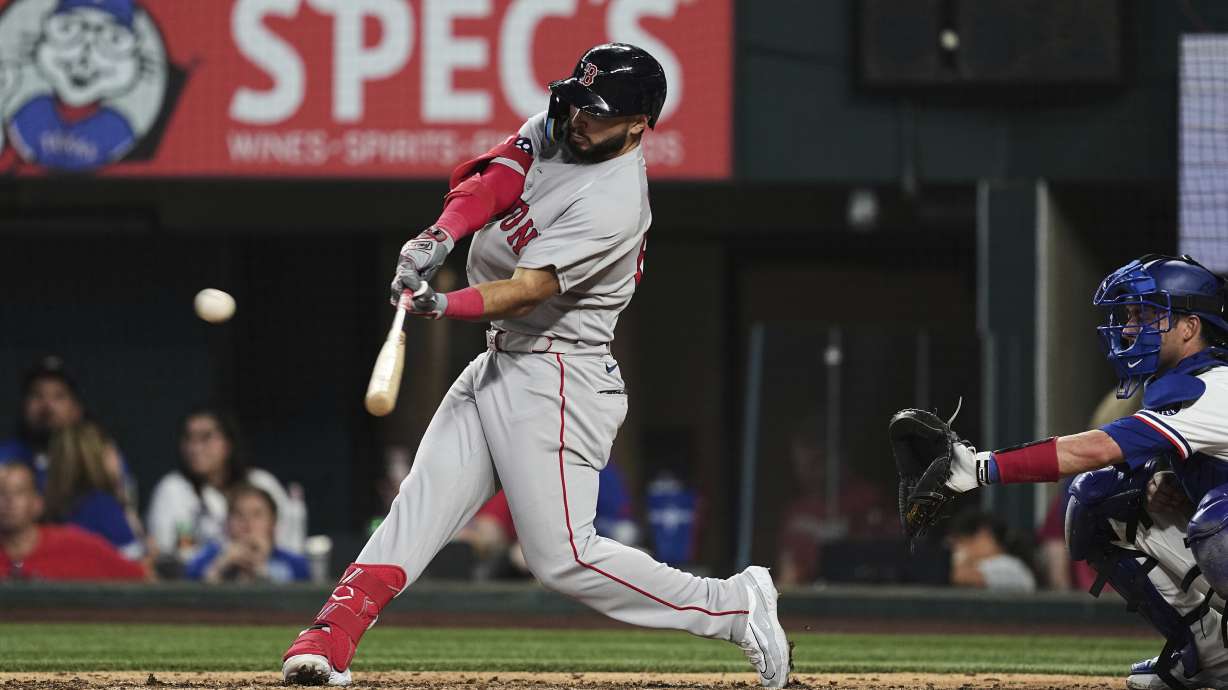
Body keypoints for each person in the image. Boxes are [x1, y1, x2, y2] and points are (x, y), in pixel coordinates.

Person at [281, 43, 790, 689]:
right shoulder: (560, 128)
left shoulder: (614, 200)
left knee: (564, 559)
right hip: (506, 356)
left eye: (597, 112)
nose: (578, 118)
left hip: (560, 374)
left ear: (638, 125)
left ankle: (734, 607)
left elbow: (526, 288)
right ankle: (328, 638)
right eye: (576, 100)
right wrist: (439, 236)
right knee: (421, 501)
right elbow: (495, 177)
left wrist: (441, 302)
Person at [928, 254, 1228, 689]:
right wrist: (1170, 477)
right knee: (1100, 500)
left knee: (1218, 520)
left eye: (1145, 314)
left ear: (1189, 327)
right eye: (1129, 315)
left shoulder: (1212, 386)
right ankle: (1213, 657)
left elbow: (1097, 448)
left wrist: (981, 467)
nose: (1128, 328)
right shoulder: (1185, 382)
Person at [145, 407, 305, 562]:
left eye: (206, 437)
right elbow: (165, 555)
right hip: (202, 583)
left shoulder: (261, 481)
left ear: (228, 443)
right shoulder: (173, 488)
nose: (195, 448)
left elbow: (290, 543)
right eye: (188, 438)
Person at [0, 463, 146, 581]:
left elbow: (141, 578)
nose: (8, 501)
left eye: (19, 492)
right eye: (1, 492)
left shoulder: (77, 546)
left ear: (38, 503)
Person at [42, 421, 144, 559]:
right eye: (112, 450)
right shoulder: (102, 507)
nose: (119, 459)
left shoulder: (49, 507)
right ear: (99, 458)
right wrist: (149, 550)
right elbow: (138, 568)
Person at [185, 484, 310, 584]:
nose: (247, 522)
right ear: (227, 523)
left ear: (272, 523)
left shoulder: (295, 564)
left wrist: (262, 568)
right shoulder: (208, 557)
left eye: (257, 515)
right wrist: (220, 566)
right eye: (239, 514)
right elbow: (188, 592)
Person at [0, 357, 87, 489]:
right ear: (24, 405)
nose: (47, 406)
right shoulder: (5, 459)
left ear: (76, 409)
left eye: (58, 396)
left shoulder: (94, 462)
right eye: (37, 395)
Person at [946, 511, 1036, 593]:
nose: (964, 547)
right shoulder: (980, 564)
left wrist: (960, 557)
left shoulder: (1008, 564)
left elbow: (961, 577)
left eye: (966, 541)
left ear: (985, 535)